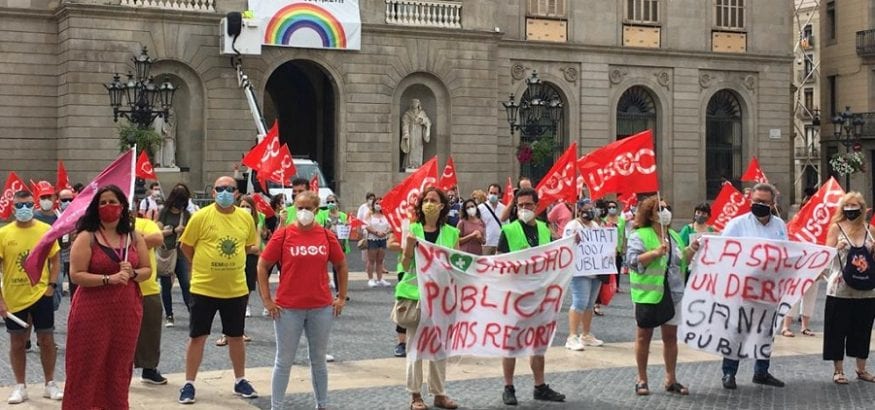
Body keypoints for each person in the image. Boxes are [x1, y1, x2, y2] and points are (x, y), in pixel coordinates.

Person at [258, 190, 349, 410]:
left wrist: (341, 297)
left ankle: (322, 404)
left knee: (318, 360)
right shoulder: (284, 234)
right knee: (284, 360)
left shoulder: (326, 236)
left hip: (320, 307)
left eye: (308, 208)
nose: (304, 212)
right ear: (293, 208)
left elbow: (341, 265)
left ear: (316, 210)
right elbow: (263, 265)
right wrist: (267, 299)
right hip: (288, 308)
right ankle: (276, 406)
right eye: (300, 207)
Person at [65, 185, 152, 409]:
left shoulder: (133, 237)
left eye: (112, 202)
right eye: (102, 203)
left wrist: (132, 273)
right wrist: (108, 279)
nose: (108, 206)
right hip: (92, 311)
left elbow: (147, 270)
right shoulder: (87, 237)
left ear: (123, 206)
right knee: (87, 365)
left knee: (119, 366)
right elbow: (76, 275)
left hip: (126, 312)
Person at [178, 177, 259, 404]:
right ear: (213, 193)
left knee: (236, 337)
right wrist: (200, 266)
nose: (225, 192)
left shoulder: (245, 217)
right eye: (220, 189)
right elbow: (186, 246)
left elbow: (246, 245)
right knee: (197, 336)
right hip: (204, 288)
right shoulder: (201, 217)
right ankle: (189, 383)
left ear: (236, 193)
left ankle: (240, 379)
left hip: (235, 289)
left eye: (229, 189)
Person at [497, 187, 565, 406]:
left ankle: (540, 386)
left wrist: (573, 243)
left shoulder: (545, 229)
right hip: (515, 296)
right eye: (520, 205)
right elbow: (498, 262)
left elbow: (557, 251)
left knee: (539, 342)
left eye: (528, 205)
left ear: (537, 206)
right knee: (511, 343)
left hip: (541, 295)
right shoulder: (509, 231)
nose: (524, 209)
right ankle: (508, 387)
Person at [716, 183, 787, 389]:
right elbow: (722, 252)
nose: (759, 205)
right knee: (737, 331)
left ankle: (761, 372)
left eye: (764, 202)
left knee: (766, 332)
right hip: (743, 289)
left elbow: (785, 253)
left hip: (769, 290)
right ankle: (729, 373)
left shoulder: (780, 225)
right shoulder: (736, 224)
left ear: (772, 203)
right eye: (756, 201)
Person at [399, 187, 460, 410]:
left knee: (439, 348)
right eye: (425, 200)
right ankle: (415, 395)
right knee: (415, 348)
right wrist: (409, 248)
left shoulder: (452, 233)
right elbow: (404, 266)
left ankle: (439, 393)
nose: (429, 203)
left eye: (433, 200)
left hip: (441, 298)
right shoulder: (413, 229)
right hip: (416, 298)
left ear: (442, 206)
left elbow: (456, 266)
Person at [0, 190, 63, 404]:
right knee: (17, 342)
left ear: (33, 205)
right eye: (19, 206)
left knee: (46, 339)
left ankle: (50, 383)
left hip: (41, 295)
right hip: (14, 296)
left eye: (27, 205)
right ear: (12, 207)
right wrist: (0, 299)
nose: (24, 209)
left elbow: (56, 260)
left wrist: (52, 286)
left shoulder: (45, 230)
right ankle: (20, 386)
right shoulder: (3, 233)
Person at [626, 196, 692, 396]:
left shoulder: (673, 235)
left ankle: (671, 379)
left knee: (670, 337)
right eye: (661, 208)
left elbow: (681, 261)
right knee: (643, 336)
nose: (666, 212)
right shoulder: (639, 235)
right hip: (648, 294)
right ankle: (642, 379)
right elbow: (631, 261)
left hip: (673, 294)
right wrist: (655, 253)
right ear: (650, 214)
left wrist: (693, 250)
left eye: (667, 208)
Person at [823, 192, 875, 384]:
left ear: (862, 209)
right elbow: (826, 255)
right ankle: (838, 370)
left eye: (855, 207)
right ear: (842, 208)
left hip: (866, 290)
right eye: (848, 206)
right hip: (840, 288)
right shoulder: (836, 228)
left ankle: (861, 369)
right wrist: (836, 247)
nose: (851, 210)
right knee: (837, 329)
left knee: (863, 329)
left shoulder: (870, 229)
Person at [216, 196, 265, 346]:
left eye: (247, 206)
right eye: (242, 205)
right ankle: (226, 333)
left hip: (249, 263)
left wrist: (240, 248)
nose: (245, 209)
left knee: (243, 299)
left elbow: (256, 248)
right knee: (227, 298)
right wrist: (243, 248)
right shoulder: (232, 222)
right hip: (232, 263)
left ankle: (239, 331)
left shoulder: (256, 223)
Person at [562, 199, 604, 352]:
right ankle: (571, 336)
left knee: (589, 303)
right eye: (587, 209)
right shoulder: (572, 226)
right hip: (580, 271)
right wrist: (573, 240)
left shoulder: (595, 225)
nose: (590, 211)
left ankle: (585, 334)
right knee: (579, 302)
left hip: (595, 270)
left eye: (592, 208)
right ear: (579, 211)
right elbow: (565, 246)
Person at [133, 216, 169, 384]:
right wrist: (140, 238)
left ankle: (149, 368)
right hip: (119, 288)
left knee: (151, 331)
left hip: (148, 287)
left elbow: (157, 238)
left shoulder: (146, 223)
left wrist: (133, 238)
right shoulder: (106, 227)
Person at [157, 183, 193, 328]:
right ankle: (169, 315)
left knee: (185, 283)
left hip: (181, 253)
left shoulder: (187, 214)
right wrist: (172, 231)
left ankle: (193, 312)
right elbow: (157, 232)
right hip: (167, 252)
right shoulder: (164, 212)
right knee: (166, 285)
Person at [316, 194, 351, 293]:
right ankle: (322, 289)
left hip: (339, 243)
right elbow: (319, 228)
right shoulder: (322, 214)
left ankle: (340, 291)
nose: (330, 204)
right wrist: (327, 225)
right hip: (326, 242)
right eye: (328, 202)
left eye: (332, 201)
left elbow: (347, 230)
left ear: (337, 203)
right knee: (321, 265)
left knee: (339, 267)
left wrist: (347, 225)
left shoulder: (343, 215)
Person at [364, 197, 390, 287]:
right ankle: (370, 279)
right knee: (371, 260)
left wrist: (385, 232)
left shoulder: (385, 215)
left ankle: (380, 279)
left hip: (383, 239)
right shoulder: (369, 215)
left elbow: (390, 226)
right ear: (373, 205)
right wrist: (376, 232)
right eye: (377, 203)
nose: (379, 206)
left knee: (380, 260)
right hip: (373, 239)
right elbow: (366, 225)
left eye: (380, 204)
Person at [56, 188, 77, 298]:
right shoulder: (54, 216)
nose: (67, 202)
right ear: (58, 201)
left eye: (70, 199)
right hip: (57, 257)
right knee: (56, 287)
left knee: (75, 288)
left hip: (73, 257)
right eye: (64, 200)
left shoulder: (79, 216)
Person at [478, 183, 506, 255]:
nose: (492, 195)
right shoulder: (480, 208)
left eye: (495, 193)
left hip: (499, 244)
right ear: (488, 193)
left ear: (499, 194)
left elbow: (506, 226)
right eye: (491, 193)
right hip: (486, 244)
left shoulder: (504, 208)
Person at [357, 192, 376, 265]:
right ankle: (367, 264)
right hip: (365, 230)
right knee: (366, 248)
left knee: (378, 248)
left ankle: (380, 265)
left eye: (373, 199)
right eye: (370, 199)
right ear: (367, 199)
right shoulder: (363, 207)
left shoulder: (376, 207)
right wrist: (358, 231)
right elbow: (359, 219)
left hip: (375, 230)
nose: (371, 200)